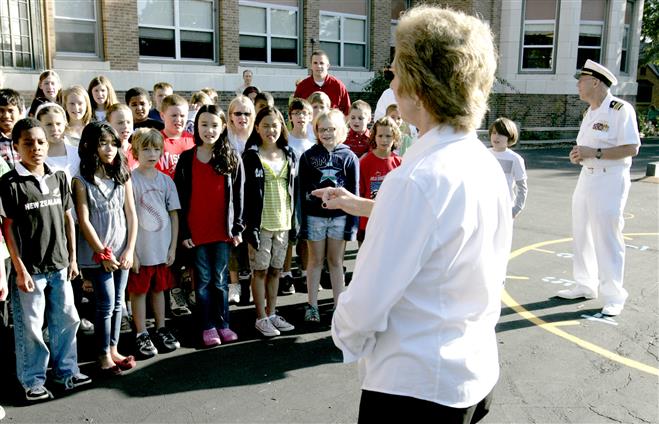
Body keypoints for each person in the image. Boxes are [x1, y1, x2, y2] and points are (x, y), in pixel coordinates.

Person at [315, 6, 512, 422]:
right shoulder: (482, 161)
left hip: (415, 387)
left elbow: (365, 302)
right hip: (470, 371)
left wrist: (344, 333)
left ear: (420, 86)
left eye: (398, 69)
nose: (392, 79)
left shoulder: (417, 178)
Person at [1, 118, 91, 401]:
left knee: (67, 319)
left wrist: (73, 258)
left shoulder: (59, 175)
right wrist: (19, 269)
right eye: (28, 143)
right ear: (16, 146)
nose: (36, 148)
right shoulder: (10, 183)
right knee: (31, 328)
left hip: (60, 264)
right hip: (31, 270)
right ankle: (33, 380)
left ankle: (67, 371)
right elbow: (8, 229)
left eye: (40, 142)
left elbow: (68, 218)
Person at [558, 59, 641, 317]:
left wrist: (594, 152)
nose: (577, 85)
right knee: (581, 230)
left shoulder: (619, 109)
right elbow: (587, 147)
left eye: (581, 80)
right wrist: (579, 155)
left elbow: (632, 147)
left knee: (606, 236)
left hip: (610, 178)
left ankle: (614, 295)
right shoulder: (590, 112)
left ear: (595, 82)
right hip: (587, 176)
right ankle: (585, 284)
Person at [174, 105, 244, 346]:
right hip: (197, 233)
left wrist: (238, 228)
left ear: (223, 126)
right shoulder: (186, 159)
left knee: (220, 280)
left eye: (214, 125)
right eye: (204, 124)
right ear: (196, 127)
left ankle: (223, 324)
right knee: (202, 281)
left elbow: (239, 195)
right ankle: (207, 326)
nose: (209, 130)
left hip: (222, 232)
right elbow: (180, 199)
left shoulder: (231, 156)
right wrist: (183, 232)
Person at [73, 122, 138, 376]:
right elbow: (84, 220)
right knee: (105, 303)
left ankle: (113, 348)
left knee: (119, 301)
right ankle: (101, 354)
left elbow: (131, 214)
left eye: (113, 143)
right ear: (90, 146)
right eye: (103, 143)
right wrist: (102, 253)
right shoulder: (81, 181)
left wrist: (130, 249)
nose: (109, 148)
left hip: (122, 251)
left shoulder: (122, 175)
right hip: (98, 253)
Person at [298, 109, 359, 323]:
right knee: (315, 261)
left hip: (340, 217)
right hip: (315, 217)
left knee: (335, 261)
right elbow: (301, 191)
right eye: (322, 129)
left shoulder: (349, 156)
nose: (326, 133)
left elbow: (355, 192)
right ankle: (311, 305)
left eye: (331, 129)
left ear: (340, 129)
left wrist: (352, 224)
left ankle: (338, 307)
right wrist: (302, 221)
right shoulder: (308, 156)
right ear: (316, 131)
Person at [242, 106, 297, 337]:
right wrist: (247, 226)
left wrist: (295, 222)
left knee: (276, 271)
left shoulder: (289, 154)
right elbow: (244, 193)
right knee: (260, 272)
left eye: (275, 125)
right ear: (257, 128)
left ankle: (273, 312)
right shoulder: (251, 156)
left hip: (283, 223)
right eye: (265, 125)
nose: (270, 130)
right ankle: (260, 317)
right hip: (261, 224)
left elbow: (293, 190)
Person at [129, 128, 181, 358]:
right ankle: (141, 333)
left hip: (161, 249)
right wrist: (132, 253)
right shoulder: (129, 180)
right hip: (140, 250)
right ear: (135, 151)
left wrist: (172, 247)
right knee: (139, 292)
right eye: (146, 149)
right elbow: (126, 217)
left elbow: (173, 215)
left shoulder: (166, 181)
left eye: (156, 149)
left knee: (159, 290)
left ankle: (161, 328)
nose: (152, 153)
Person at [279, 98, 314, 294]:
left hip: (308, 192)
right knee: (289, 234)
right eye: (297, 113)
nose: (301, 117)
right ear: (290, 116)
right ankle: (286, 275)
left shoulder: (313, 141)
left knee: (305, 235)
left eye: (305, 114)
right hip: (289, 192)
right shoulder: (286, 140)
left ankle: (305, 272)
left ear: (310, 117)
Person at [225, 96, 256, 303]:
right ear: (230, 116)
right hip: (232, 194)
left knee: (254, 241)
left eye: (246, 113)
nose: (242, 117)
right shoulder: (225, 137)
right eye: (238, 113)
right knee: (233, 239)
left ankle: (253, 284)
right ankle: (234, 283)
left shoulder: (257, 136)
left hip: (255, 193)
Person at [357, 116, 402, 244]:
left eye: (388, 136)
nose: (384, 140)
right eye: (380, 135)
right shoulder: (365, 162)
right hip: (368, 221)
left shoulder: (400, 163)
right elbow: (360, 193)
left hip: (392, 221)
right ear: (374, 137)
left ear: (395, 138)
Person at [488, 117, 528, 218]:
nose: (496, 137)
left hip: (504, 209)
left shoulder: (515, 159)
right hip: (484, 208)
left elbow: (522, 188)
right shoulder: (483, 154)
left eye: (501, 134)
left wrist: (516, 209)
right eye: (494, 133)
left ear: (510, 137)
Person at [294, 50, 351, 115]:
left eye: (321, 63)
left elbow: (347, 111)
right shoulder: (302, 86)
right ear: (311, 66)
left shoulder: (338, 86)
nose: (318, 66)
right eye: (315, 63)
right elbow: (295, 111)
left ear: (327, 66)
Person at [35, 103, 80, 183]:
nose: (54, 129)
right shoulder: (36, 154)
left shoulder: (77, 150)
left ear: (65, 123)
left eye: (58, 124)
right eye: (49, 124)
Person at [107, 103, 137, 170]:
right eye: (120, 123)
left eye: (129, 122)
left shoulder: (137, 150)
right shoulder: (106, 152)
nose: (126, 126)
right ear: (109, 125)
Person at [0, 88, 24, 169]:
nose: (6, 116)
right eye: (1, 110)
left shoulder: (26, 138)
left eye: (11, 111)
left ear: (20, 113)